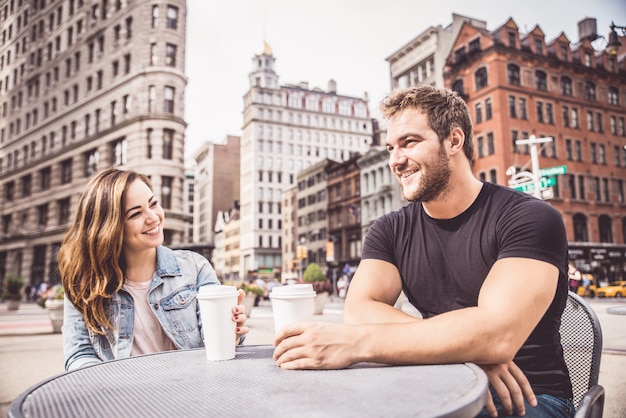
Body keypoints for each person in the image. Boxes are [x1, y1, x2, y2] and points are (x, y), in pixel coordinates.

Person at [273, 86, 574, 418]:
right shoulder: (389, 229)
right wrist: (463, 352)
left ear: (454, 141)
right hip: (436, 378)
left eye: (409, 142)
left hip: (526, 397)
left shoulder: (529, 217)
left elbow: (497, 334)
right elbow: (358, 312)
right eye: (390, 147)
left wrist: (355, 344)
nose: (395, 160)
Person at [59, 168, 248, 371]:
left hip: (192, 391)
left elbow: (216, 343)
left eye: (153, 204)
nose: (153, 217)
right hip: (121, 397)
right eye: (136, 213)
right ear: (109, 228)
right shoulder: (83, 281)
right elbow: (79, 354)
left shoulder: (195, 267)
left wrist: (231, 333)